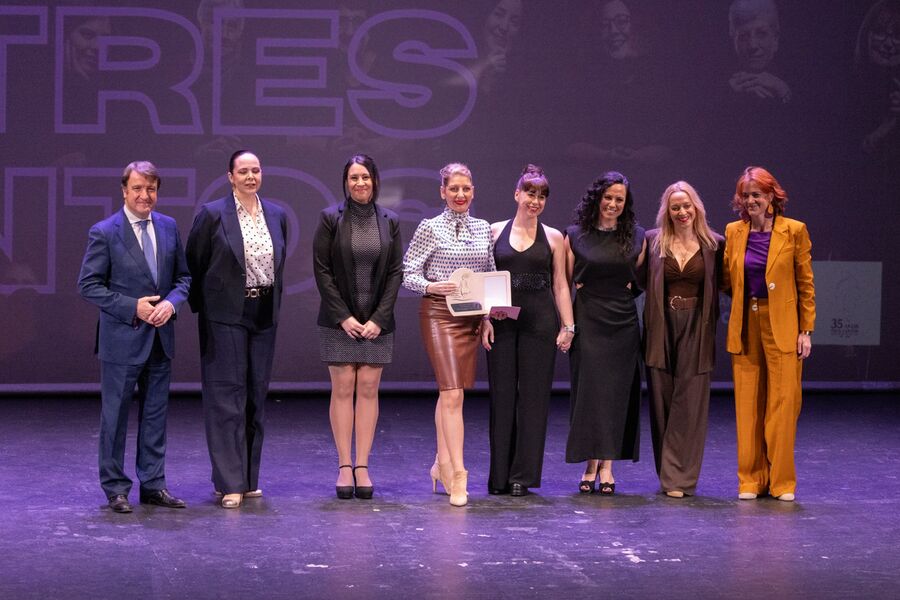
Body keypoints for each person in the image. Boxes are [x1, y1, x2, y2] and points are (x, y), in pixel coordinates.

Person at [77, 161, 191, 513]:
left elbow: (183, 279)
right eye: (138, 188)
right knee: (115, 417)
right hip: (122, 340)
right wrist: (133, 307)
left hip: (160, 337)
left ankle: (154, 484)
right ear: (124, 191)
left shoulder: (169, 227)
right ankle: (115, 488)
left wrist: (171, 305)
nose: (145, 195)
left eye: (151, 189)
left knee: (156, 416)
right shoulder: (105, 231)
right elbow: (88, 285)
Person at [185, 150, 288, 509]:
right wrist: (208, 309)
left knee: (254, 396)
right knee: (226, 397)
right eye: (242, 171)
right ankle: (229, 481)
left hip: (263, 312)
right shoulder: (213, 214)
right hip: (225, 314)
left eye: (255, 170)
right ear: (230, 176)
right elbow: (194, 264)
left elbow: (280, 262)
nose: (250, 176)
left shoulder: (276, 214)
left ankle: (248, 478)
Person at [402, 162, 495, 507]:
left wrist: (488, 318)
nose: (460, 195)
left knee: (450, 395)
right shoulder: (430, 227)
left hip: (470, 317)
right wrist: (430, 285)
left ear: (473, 191)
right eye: (453, 189)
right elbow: (407, 272)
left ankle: (440, 465)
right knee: (453, 393)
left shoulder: (483, 228)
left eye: (466, 189)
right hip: (439, 314)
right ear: (442, 191)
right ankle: (458, 474)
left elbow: (489, 273)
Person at [313, 154, 403, 500]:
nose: (360, 183)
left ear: (374, 181)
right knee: (343, 389)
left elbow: (395, 271)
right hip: (340, 320)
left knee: (367, 388)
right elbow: (322, 270)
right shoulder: (329, 219)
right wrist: (344, 317)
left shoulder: (390, 220)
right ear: (345, 183)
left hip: (376, 321)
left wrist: (379, 319)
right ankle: (344, 466)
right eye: (353, 178)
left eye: (365, 177)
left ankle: (362, 465)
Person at [722, 166, 814, 502]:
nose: (750, 201)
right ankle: (750, 479)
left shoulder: (794, 231)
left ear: (772, 196)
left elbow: (805, 283)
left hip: (784, 326)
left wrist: (806, 329)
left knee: (783, 404)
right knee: (747, 405)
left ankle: (782, 482)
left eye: (756, 195)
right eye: (745, 196)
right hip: (747, 322)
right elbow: (726, 279)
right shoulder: (734, 232)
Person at [481, 165, 574, 497]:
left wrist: (568, 326)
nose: (535, 200)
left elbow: (561, 285)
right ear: (517, 194)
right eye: (530, 193)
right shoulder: (492, 232)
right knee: (502, 397)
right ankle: (500, 476)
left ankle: (523, 475)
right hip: (502, 322)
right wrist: (485, 320)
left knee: (533, 400)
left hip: (539, 322)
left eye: (542, 196)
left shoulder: (553, 237)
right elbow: (483, 280)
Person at [564, 171, 646, 495]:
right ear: (597, 198)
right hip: (589, 320)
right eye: (608, 197)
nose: (612, 204)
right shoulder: (574, 236)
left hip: (623, 324)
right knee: (590, 394)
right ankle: (589, 464)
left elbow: (642, 279)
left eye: (619, 200)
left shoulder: (638, 237)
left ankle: (608, 466)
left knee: (615, 395)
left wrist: (628, 288)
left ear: (625, 204)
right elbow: (564, 281)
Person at [642, 181, 724, 498]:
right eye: (675, 207)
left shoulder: (715, 244)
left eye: (686, 205)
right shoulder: (653, 241)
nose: (682, 212)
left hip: (696, 326)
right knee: (662, 399)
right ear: (668, 211)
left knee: (689, 402)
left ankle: (682, 478)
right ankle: (668, 473)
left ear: (696, 208)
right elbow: (635, 280)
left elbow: (730, 282)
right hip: (661, 324)